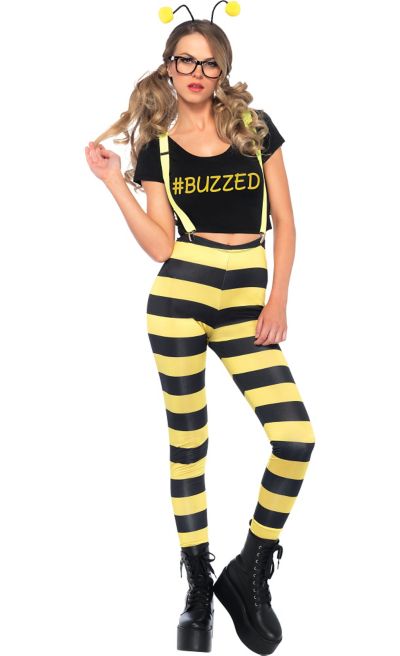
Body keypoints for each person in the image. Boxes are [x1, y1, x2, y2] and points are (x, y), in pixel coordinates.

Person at [84, 4, 316, 654]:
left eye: (208, 62)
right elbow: (161, 246)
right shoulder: (155, 149)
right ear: (169, 67)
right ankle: (197, 587)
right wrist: (115, 183)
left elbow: (286, 221)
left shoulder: (253, 128)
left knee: (295, 437)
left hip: (248, 305)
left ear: (222, 71)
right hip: (180, 299)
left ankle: (250, 569)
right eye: (184, 59)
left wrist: (278, 300)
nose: (195, 71)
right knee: (190, 445)